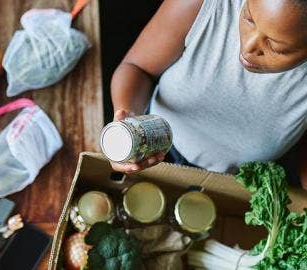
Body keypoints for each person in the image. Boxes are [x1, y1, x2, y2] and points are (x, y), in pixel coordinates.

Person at [109, 0, 307, 189]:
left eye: (276, 47)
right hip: (153, 143)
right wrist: (129, 121)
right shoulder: (206, 5)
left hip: (233, 184)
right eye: (248, 18)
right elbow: (137, 68)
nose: (247, 48)